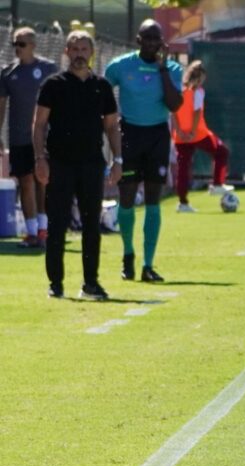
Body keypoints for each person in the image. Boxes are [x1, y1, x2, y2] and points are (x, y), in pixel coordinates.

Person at [33, 30, 122, 300]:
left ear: (91, 53)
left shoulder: (102, 86)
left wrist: (117, 160)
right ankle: (55, 283)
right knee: (57, 223)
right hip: (59, 163)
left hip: (92, 163)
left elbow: (111, 126)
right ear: (66, 52)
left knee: (91, 225)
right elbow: (39, 125)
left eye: (84, 49)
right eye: (75, 49)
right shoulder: (53, 84)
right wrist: (40, 158)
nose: (79, 54)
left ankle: (90, 283)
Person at [104, 19, 183, 283]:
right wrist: (108, 123)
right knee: (126, 196)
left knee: (153, 198)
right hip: (129, 135)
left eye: (156, 39)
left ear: (163, 43)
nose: (152, 43)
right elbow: (103, 92)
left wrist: (162, 70)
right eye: (147, 38)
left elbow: (174, 105)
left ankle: (148, 264)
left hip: (157, 135)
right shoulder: (121, 65)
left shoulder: (172, 68)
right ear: (138, 40)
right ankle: (128, 254)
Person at [0, 27, 58, 248]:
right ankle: (32, 232)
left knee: (42, 181)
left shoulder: (47, 68)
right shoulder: (8, 73)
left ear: (33, 45)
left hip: (45, 137)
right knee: (25, 182)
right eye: (15, 43)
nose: (17, 48)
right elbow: (1, 106)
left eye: (22, 44)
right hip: (19, 137)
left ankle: (44, 229)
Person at [171, 60, 232, 213]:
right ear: (199, 77)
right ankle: (217, 184)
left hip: (180, 136)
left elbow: (173, 112)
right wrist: (192, 131)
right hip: (197, 133)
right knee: (221, 151)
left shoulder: (178, 89)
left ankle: (183, 203)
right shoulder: (197, 91)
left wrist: (179, 130)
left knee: (183, 168)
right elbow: (197, 112)